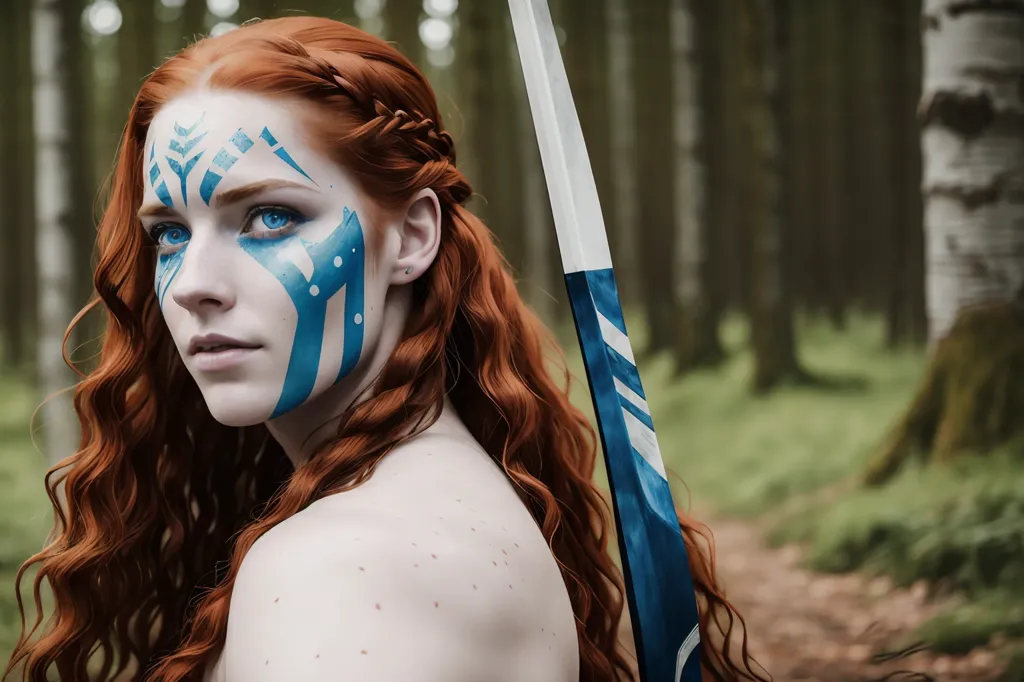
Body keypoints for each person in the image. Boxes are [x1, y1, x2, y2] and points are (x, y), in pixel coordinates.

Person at [3, 16, 769, 682]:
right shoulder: (426, 500)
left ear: (411, 236)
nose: (193, 284)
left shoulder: (341, 571)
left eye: (268, 217)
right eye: (170, 231)